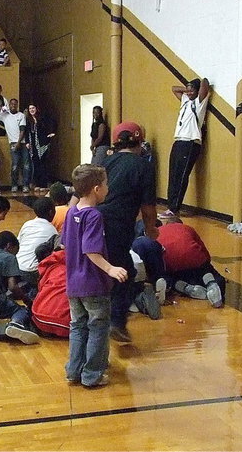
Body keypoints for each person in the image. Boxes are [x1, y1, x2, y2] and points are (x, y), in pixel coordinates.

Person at [63, 164, 127, 387]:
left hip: (73, 283)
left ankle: (74, 370)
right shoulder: (94, 216)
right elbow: (90, 249)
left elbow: (66, 244)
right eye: (106, 184)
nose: (108, 188)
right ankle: (92, 374)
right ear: (97, 189)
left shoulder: (72, 212)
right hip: (93, 284)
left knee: (78, 326)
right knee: (98, 326)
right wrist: (110, 269)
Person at [97, 122, 159, 342]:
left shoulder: (105, 161)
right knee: (126, 274)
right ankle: (115, 322)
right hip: (118, 225)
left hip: (92, 221)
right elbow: (148, 208)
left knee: (98, 271)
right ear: (140, 141)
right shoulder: (144, 166)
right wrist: (151, 230)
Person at [161, 77, 210, 219]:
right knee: (173, 174)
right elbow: (174, 88)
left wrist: (195, 88)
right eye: (187, 89)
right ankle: (170, 207)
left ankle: (174, 208)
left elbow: (205, 83)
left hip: (190, 142)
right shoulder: (185, 100)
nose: (188, 92)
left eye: (191, 89)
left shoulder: (199, 102)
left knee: (181, 176)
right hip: (178, 141)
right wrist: (187, 90)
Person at [151, 217, 225, 307]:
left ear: (167, 224)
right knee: (208, 273)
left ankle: (184, 287)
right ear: (181, 224)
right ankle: (211, 283)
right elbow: (204, 251)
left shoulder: (158, 230)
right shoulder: (188, 228)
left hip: (169, 261)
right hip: (193, 257)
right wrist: (206, 266)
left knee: (171, 277)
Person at [17, 197, 58, 290]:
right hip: (34, 271)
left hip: (18, 267)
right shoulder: (52, 230)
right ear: (51, 212)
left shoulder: (27, 224)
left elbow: (18, 243)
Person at [0, 99, 29, 191]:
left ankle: (25, 185)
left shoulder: (21, 115)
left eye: (15, 104)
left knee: (26, 165)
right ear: (9, 105)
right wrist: (0, 108)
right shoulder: (5, 115)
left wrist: (18, 143)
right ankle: (14, 185)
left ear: (17, 105)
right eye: (11, 104)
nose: (13, 105)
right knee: (15, 165)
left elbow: (22, 130)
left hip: (22, 142)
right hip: (12, 142)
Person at [26, 104, 55, 191]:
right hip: (33, 145)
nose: (31, 110)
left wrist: (51, 133)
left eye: (33, 108)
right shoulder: (28, 120)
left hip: (42, 144)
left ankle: (44, 184)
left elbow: (51, 124)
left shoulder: (42, 118)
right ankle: (37, 184)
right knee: (36, 164)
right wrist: (27, 142)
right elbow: (27, 132)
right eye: (30, 108)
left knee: (43, 164)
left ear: (36, 109)